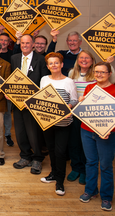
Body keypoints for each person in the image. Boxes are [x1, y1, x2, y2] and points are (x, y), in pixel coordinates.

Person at [38, 52, 78, 196]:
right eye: (51, 63)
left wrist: (68, 106)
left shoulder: (69, 81)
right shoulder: (43, 79)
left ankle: (60, 182)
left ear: (61, 64)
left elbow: (74, 100)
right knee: (51, 150)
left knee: (60, 152)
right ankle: (53, 174)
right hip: (47, 122)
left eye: (56, 62)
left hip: (63, 123)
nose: (54, 65)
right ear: (48, 66)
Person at [79, 62, 115, 211]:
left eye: (102, 72)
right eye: (96, 72)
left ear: (109, 74)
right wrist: (81, 103)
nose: (99, 75)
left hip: (107, 133)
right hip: (86, 130)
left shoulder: (114, 89)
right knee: (91, 162)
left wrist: (109, 129)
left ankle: (106, 197)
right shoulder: (89, 88)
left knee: (106, 165)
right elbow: (87, 110)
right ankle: (91, 190)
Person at [11, 34, 49, 174]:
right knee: (20, 132)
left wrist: (34, 100)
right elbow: (11, 79)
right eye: (22, 43)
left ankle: (38, 159)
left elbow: (44, 81)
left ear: (33, 44)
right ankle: (25, 156)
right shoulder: (14, 58)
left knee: (34, 133)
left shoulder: (41, 59)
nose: (25, 45)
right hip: (17, 103)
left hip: (33, 104)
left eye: (28, 43)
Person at [66, 50, 96, 185]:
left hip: (89, 114)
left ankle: (84, 170)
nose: (84, 60)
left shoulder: (96, 73)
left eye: (87, 58)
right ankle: (76, 168)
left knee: (86, 144)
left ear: (92, 60)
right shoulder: (72, 73)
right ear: (77, 60)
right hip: (74, 112)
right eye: (81, 58)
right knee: (73, 142)